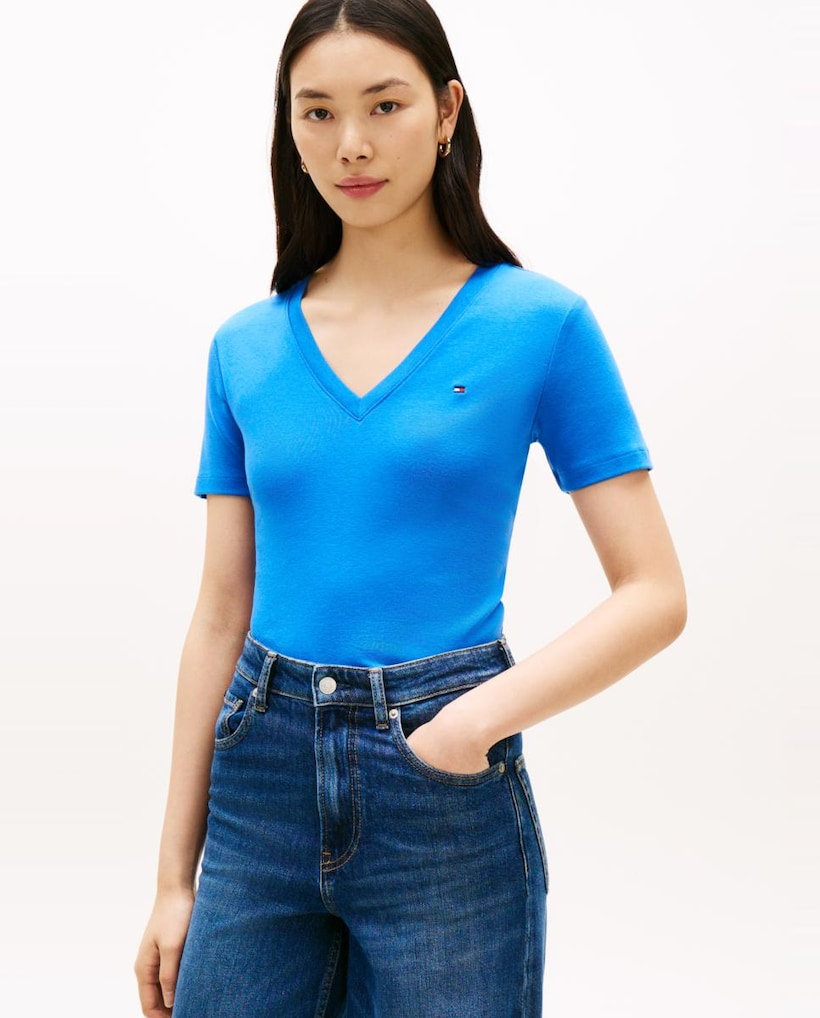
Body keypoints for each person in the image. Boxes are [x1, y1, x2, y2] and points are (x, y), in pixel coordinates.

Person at [134, 0, 687, 1015]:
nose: (350, 144)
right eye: (317, 112)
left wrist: (465, 725)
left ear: (446, 112)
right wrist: (175, 879)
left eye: (384, 105)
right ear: (289, 128)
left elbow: (653, 592)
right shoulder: (244, 347)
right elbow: (220, 611)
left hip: (443, 786)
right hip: (257, 785)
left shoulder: (540, 323)